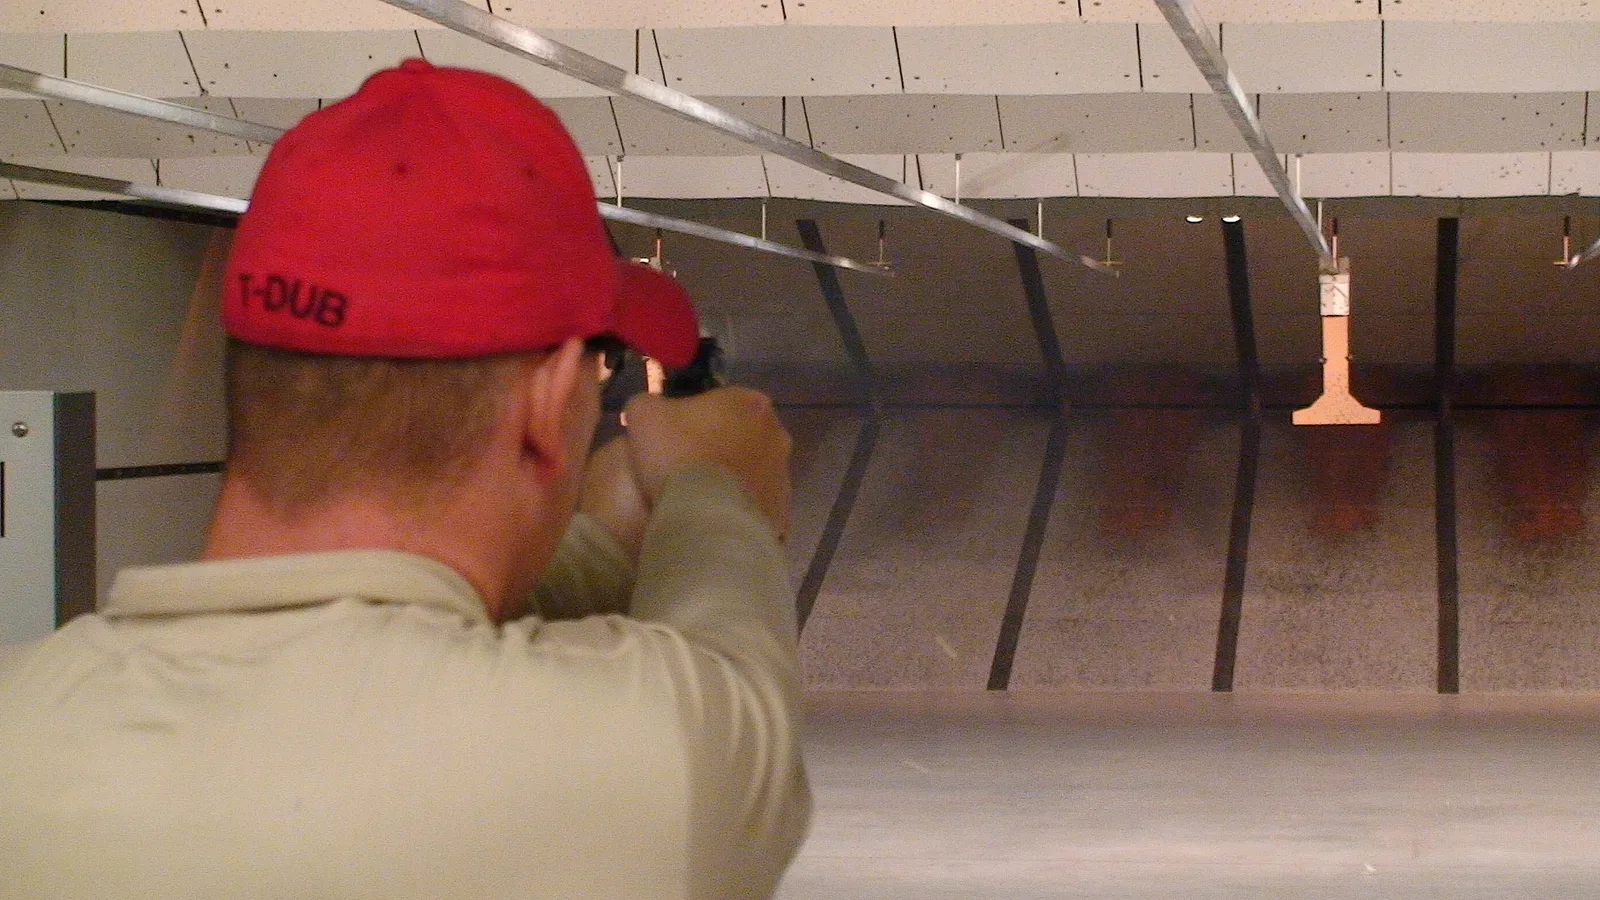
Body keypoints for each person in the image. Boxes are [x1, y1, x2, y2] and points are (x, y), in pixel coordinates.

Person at [0, 59, 810, 899]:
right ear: (549, 403)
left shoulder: (20, 726)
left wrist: (623, 505)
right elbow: (732, 652)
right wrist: (714, 490)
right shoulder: (647, 758)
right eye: (599, 374)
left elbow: (400, 611)